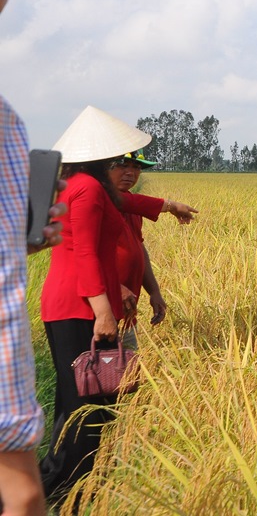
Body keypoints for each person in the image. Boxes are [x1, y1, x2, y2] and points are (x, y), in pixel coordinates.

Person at [37, 105, 193, 507]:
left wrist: (169, 205)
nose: (124, 168)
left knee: (81, 398)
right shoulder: (87, 189)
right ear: (100, 158)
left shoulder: (83, 185)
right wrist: (103, 311)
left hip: (71, 303)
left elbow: (129, 204)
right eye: (116, 160)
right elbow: (85, 252)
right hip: (79, 305)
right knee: (87, 404)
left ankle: (60, 480)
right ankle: (70, 490)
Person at [0, 92, 66, 516]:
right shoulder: (5, 122)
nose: (131, 171)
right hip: (72, 305)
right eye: (124, 163)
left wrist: (17, 243)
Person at [111, 150, 197, 348]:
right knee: (97, 373)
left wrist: (154, 291)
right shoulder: (98, 202)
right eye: (123, 165)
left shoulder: (133, 206)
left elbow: (138, 249)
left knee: (129, 373)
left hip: (125, 313)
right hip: (98, 312)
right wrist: (115, 287)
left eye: (136, 167)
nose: (130, 173)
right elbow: (87, 255)